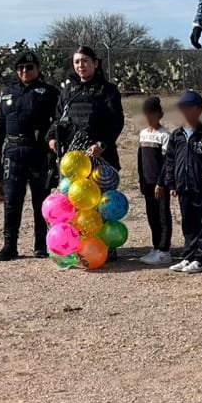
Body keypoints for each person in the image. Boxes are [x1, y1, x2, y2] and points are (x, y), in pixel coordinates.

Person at [49, 46, 125, 259]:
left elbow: (116, 121)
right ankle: (77, 246)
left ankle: (104, 246)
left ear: (95, 63)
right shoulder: (68, 91)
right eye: (77, 62)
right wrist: (52, 137)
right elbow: (58, 119)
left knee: (100, 204)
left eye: (85, 61)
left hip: (99, 157)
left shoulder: (107, 90)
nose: (81, 65)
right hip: (72, 160)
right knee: (74, 203)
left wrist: (103, 144)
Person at [0, 50, 59, 260]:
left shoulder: (49, 92)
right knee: (12, 200)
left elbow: (58, 120)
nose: (24, 71)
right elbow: (0, 123)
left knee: (41, 200)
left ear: (38, 69)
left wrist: (52, 140)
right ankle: (9, 245)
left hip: (39, 152)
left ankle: (41, 245)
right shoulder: (8, 92)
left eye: (29, 67)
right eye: (20, 68)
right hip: (12, 152)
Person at [165, 91, 202, 274]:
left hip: (200, 185)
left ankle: (201, 258)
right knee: (188, 222)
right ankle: (188, 256)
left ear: (199, 110)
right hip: (182, 185)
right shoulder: (177, 135)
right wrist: (171, 184)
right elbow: (170, 160)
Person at [137, 96, 173, 266]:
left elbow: (167, 163)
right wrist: (141, 181)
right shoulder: (143, 134)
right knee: (152, 216)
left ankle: (164, 250)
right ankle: (156, 246)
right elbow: (140, 159)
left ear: (160, 114)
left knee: (162, 215)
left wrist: (161, 183)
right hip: (147, 183)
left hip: (160, 184)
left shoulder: (165, 136)